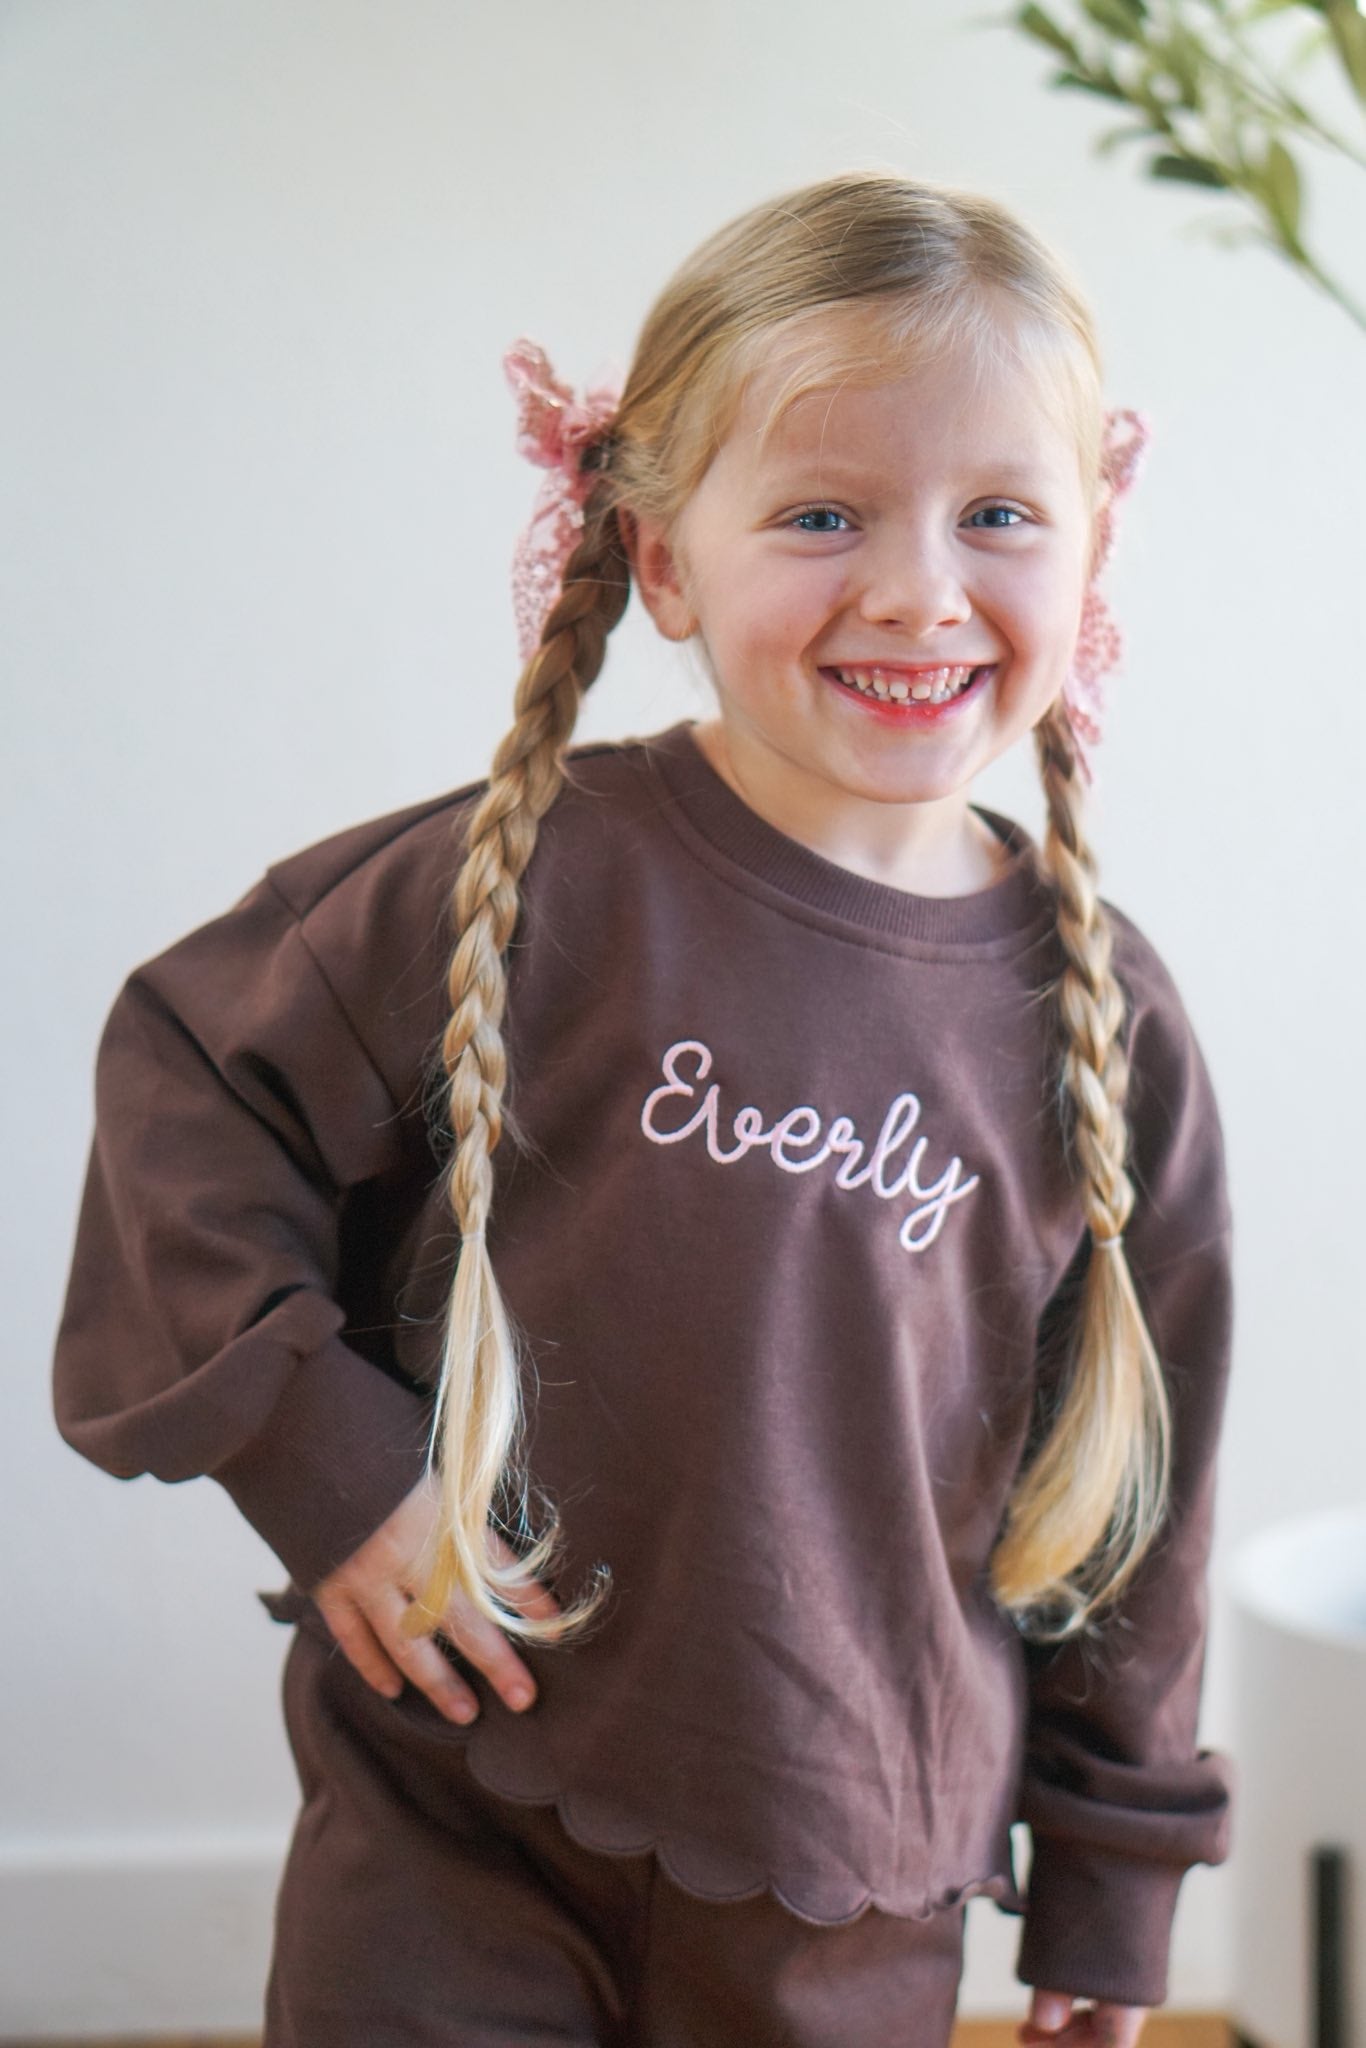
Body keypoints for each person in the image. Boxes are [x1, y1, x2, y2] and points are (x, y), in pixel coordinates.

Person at [52, 171, 1236, 2048]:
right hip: (451, 1810)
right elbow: (189, 1087)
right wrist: (331, 1469)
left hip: (847, 1866)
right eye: (824, 514)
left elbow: (1141, 1519)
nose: (917, 588)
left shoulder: (1105, 1028)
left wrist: (1111, 1880)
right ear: (663, 557)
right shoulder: (531, 884)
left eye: (999, 515)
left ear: (1091, 548)